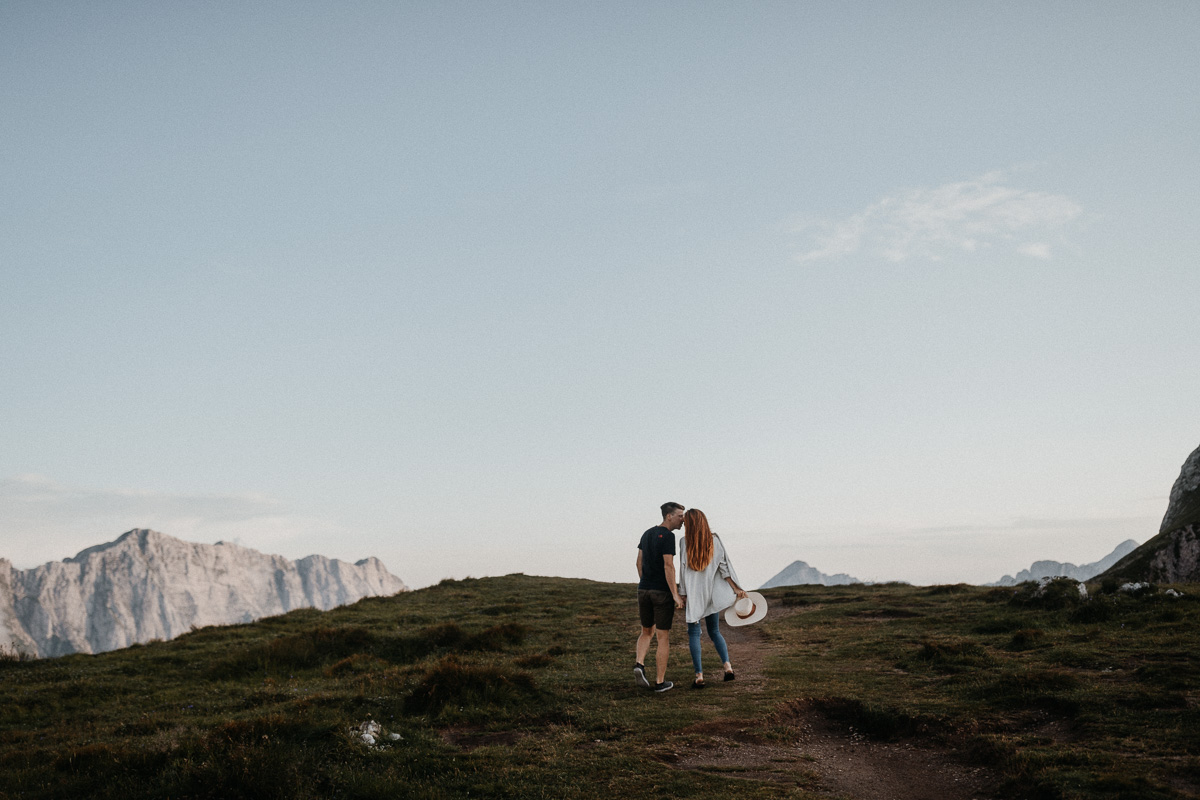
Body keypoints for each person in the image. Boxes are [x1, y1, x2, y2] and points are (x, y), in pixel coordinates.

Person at [677, 508, 747, 689]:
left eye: (685, 522)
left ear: (691, 524)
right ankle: (728, 668)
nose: (683, 524)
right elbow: (725, 569)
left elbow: (683, 572)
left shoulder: (684, 542)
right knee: (714, 631)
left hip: (694, 595)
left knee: (694, 634)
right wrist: (736, 588)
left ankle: (699, 676)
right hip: (711, 595)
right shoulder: (714, 541)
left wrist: (682, 594)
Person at [634, 501, 686, 692]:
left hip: (643, 590)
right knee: (663, 636)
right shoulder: (669, 537)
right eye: (680, 516)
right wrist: (675, 595)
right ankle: (659, 682)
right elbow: (668, 566)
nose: (683, 520)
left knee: (646, 632)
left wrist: (645, 582)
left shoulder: (646, 533)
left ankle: (639, 664)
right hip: (661, 593)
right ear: (669, 516)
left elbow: (638, 563)